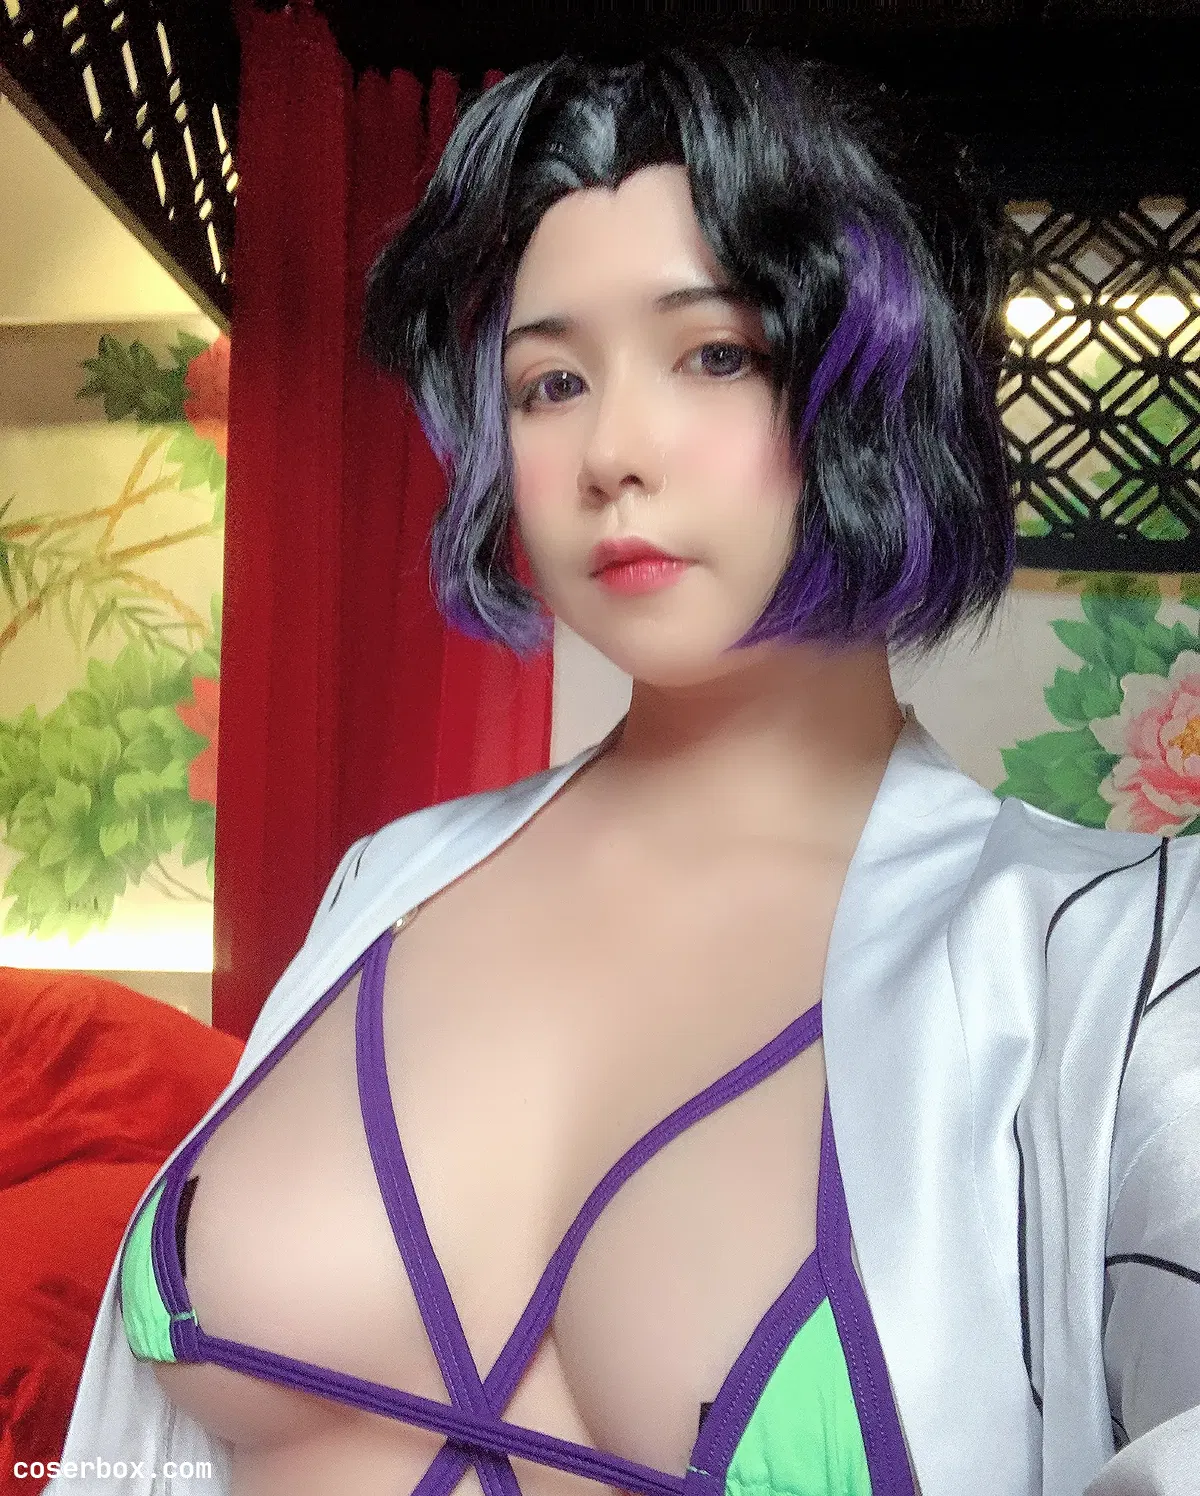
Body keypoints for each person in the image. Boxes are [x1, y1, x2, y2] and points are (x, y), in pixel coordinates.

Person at [52, 44, 1200, 1496]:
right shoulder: (388, 884)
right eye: (549, 382)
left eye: (716, 353)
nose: (612, 450)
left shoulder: (1123, 966)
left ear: (882, 381)